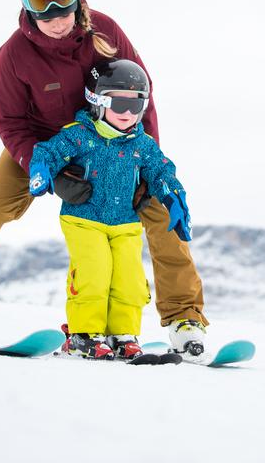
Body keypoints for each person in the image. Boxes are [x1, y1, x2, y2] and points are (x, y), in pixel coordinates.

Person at [0, 0, 208, 353]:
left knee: (159, 210)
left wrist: (146, 158)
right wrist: (43, 168)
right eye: (41, 3)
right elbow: (10, 122)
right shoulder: (14, 54)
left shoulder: (105, 29)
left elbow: (141, 91)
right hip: (43, 145)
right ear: (26, 5)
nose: (54, 15)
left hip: (111, 140)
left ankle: (185, 317)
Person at [27, 59, 189, 360]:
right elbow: (49, 151)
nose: (128, 114)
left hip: (126, 223)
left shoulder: (143, 143)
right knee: (94, 272)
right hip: (83, 219)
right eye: (119, 104)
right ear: (97, 101)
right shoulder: (80, 134)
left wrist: (174, 196)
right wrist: (41, 168)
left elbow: (161, 171)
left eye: (136, 105)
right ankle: (83, 334)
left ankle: (122, 334)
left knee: (130, 280)